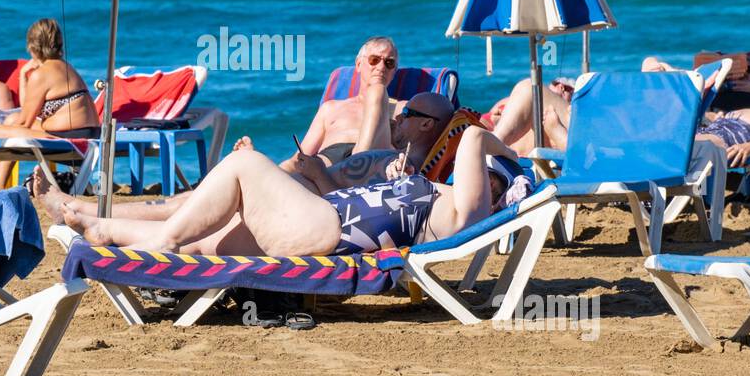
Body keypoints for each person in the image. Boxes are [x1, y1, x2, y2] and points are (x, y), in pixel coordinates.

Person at [58, 124, 523, 259]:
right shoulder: (452, 203)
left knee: (243, 164)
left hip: (326, 227)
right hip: (320, 222)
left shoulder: (468, 211)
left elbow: (475, 135)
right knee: (207, 239)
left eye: (489, 177)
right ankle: (103, 228)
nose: (477, 175)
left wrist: (513, 163)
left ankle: (158, 239)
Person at [33, 91, 458, 225]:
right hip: (295, 191)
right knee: (189, 203)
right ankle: (87, 211)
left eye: (407, 115)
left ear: (425, 125)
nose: (397, 118)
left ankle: (87, 213)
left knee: (189, 205)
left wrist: (316, 173)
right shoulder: (395, 157)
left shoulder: (410, 173)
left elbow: (356, 215)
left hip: (302, 211)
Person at [0, 19, 100, 193]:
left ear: (32, 46)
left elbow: (25, 121)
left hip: (71, 142)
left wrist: (3, 127)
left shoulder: (43, 74)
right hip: (87, 137)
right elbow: (25, 113)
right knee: (11, 120)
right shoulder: (65, 67)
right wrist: (23, 76)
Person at [286, 36, 405, 171]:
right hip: (329, 164)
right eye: (374, 60)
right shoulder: (330, 108)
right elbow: (297, 160)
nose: (381, 67)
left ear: (394, 72)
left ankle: (356, 165)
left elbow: (415, 152)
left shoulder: (403, 109)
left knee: (377, 91)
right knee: (258, 162)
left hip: (372, 163)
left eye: (389, 63)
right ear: (359, 64)